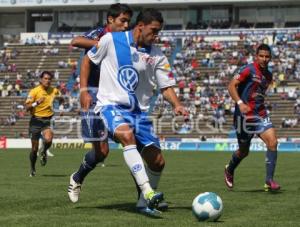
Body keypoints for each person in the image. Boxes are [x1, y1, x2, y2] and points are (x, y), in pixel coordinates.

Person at [68, 8, 188, 215]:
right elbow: (88, 58)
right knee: (115, 142)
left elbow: (166, 87)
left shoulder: (157, 55)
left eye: (159, 31)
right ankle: (148, 193)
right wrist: (84, 91)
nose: (156, 35)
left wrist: (177, 104)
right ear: (140, 26)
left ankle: (143, 202)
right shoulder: (109, 40)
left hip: (138, 113)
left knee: (157, 161)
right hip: (108, 104)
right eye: (154, 30)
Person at [70, 3, 132, 172]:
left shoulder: (126, 39)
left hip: (113, 95)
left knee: (131, 139)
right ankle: (78, 176)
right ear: (110, 19)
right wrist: (101, 44)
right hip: (93, 93)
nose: (126, 25)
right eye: (123, 20)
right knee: (102, 152)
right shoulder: (100, 33)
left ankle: (145, 192)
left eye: (128, 22)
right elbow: (76, 41)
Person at [224, 44, 280, 191]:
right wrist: (240, 103)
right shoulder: (248, 69)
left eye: (267, 56)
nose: (264, 59)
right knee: (244, 151)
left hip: (260, 114)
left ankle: (269, 180)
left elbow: (258, 94)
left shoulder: (268, 75)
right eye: (261, 56)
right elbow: (231, 86)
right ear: (256, 56)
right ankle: (229, 169)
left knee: (273, 142)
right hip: (244, 117)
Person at [25, 71, 60, 177]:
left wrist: (60, 107)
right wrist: (36, 103)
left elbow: (60, 99)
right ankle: (32, 167)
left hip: (47, 121)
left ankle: (44, 151)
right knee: (34, 149)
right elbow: (27, 107)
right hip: (35, 121)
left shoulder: (54, 91)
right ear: (41, 79)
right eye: (45, 78)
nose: (47, 81)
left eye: (49, 79)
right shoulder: (34, 91)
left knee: (49, 139)